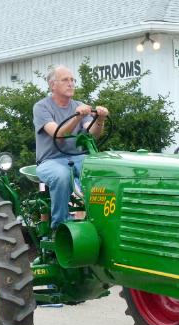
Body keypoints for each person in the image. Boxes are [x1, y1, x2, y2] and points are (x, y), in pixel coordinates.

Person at [33, 64, 109, 229]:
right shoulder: (41, 107)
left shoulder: (79, 105)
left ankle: (98, 222)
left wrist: (100, 120)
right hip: (50, 161)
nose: (71, 83)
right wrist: (77, 117)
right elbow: (58, 135)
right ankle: (60, 227)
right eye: (65, 80)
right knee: (62, 176)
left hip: (77, 158)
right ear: (53, 85)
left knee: (103, 170)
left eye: (73, 80)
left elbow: (92, 134)